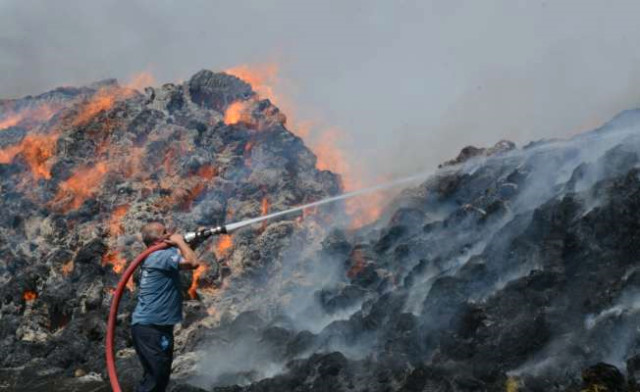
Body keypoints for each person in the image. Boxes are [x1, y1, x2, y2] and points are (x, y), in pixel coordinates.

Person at [130, 221, 203, 392]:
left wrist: (199, 239)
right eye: (165, 232)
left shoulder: (158, 255)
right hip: (151, 328)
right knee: (155, 379)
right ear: (158, 239)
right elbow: (193, 263)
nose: (170, 233)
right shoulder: (159, 257)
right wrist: (179, 241)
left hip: (157, 326)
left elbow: (185, 254)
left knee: (159, 376)